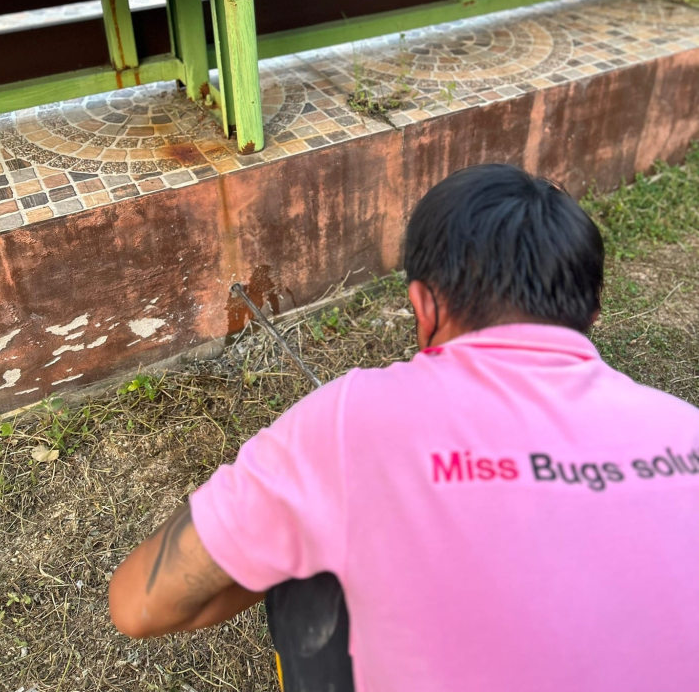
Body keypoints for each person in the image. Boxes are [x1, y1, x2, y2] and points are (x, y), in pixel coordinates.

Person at [109, 164, 699, 692]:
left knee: (310, 570)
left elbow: (138, 604)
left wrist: (303, 542)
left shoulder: (352, 420)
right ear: (592, 311)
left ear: (424, 305)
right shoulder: (686, 430)